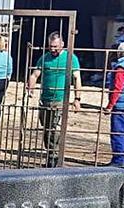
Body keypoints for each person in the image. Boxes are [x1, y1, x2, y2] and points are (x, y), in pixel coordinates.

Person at [26, 32, 82, 168]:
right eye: (50, 46)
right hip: (45, 99)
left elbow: (77, 78)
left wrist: (77, 98)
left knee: (54, 129)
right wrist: (30, 88)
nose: (53, 49)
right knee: (46, 128)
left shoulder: (70, 58)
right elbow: (34, 75)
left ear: (62, 44)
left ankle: (54, 157)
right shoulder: (45, 58)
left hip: (60, 99)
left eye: (55, 46)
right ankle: (50, 153)